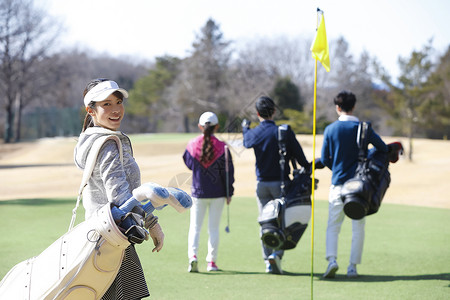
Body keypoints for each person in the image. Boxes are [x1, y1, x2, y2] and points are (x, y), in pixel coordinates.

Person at [74, 78, 165, 299]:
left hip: (101, 234)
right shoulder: (108, 143)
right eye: (106, 104)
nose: (116, 110)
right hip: (114, 236)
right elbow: (120, 196)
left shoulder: (88, 139)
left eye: (118, 102)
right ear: (91, 110)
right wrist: (152, 224)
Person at [320, 90, 388, 279]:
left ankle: (332, 260)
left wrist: (336, 168)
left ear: (338, 108)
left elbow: (325, 159)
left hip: (337, 184)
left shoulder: (331, 129)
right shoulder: (364, 128)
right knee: (358, 227)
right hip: (360, 187)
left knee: (333, 225)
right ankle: (352, 267)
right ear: (354, 106)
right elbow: (382, 148)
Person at [242, 96, 310, 275]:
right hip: (282, 185)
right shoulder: (284, 132)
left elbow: (247, 142)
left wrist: (245, 128)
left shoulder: (255, 132)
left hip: (262, 185)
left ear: (257, 114)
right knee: (282, 224)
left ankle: (267, 260)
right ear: (274, 111)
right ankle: (277, 255)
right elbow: (301, 159)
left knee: (265, 222)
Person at [183, 112, 235, 273]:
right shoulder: (223, 147)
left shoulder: (192, 145)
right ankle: (211, 262)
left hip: (198, 194)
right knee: (213, 229)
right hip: (218, 194)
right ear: (216, 127)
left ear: (200, 126)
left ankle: (193, 257)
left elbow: (189, 163)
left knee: (195, 228)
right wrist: (229, 192)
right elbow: (229, 173)